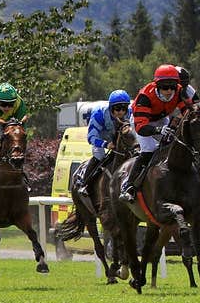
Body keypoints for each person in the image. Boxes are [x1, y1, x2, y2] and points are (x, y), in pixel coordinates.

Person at [119, 65, 190, 202]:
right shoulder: (145, 96)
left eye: (172, 87)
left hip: (161, 118)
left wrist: (181, 122)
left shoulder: (180, 91)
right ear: (157, 86)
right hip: (141, 122)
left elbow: (187, 111)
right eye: (165, 87)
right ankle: (129, 185)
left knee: (174, 145)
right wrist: (158, 130)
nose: (169, 91)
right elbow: (141, 128)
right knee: (150, 149)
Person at [76, 90, 132, 197]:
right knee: (99, 155)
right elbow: (91, 137)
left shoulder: (131, 113)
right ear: (111, 108)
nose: (121, 112)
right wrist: (106, 145)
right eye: (117, 108)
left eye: (124, 108)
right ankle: (85, 184)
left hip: (119, 138)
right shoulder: (99, 114)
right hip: (102, 138)